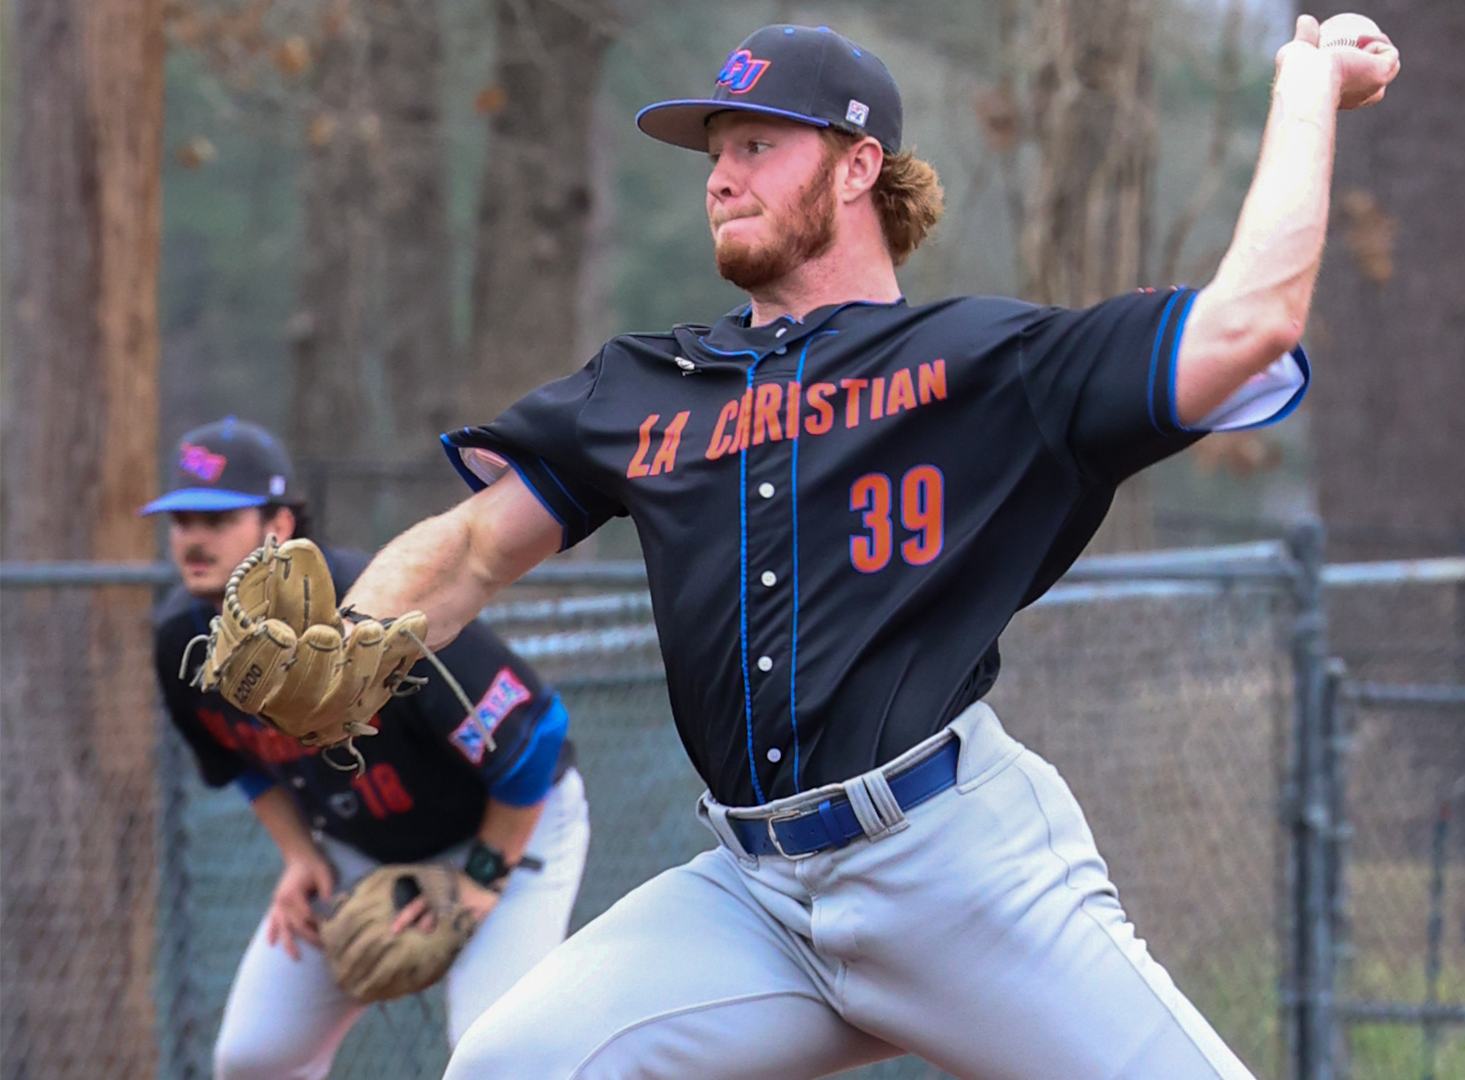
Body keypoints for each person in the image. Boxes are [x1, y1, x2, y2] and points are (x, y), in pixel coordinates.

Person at [325, 17, 1394, 1079]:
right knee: (511, 1064)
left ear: (857, 166)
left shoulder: (984, 361)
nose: (722, 177)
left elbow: (1246, 326)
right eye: (714, 153)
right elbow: (468, 548)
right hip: (754, 898)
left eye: (757, 145)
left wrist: (1305, 94)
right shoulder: (647, 390)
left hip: (954, 869)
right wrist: (350, 640)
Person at [146, 417, 591, 1079]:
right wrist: (300, 856)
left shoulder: (376, 606)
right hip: (362, 847)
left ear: (279, 526)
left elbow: (536, 735)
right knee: (253, 1057)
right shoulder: (182, 639)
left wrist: (482, 881)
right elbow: (234, 762)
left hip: (513, 828)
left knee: (492, 1057)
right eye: (182, 521)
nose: (195, 539)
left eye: (217, 519)